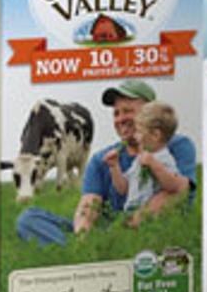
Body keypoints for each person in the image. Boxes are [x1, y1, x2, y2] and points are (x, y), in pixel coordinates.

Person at [75, 88, 196, 234]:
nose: (120, 119)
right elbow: (121, 189)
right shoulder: (102, 159)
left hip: (147, 228)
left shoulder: (171, 150)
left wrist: (126, 229)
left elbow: (178, 189)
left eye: (127, 111)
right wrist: (114, 167)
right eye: (116, 113)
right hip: (118, 223)